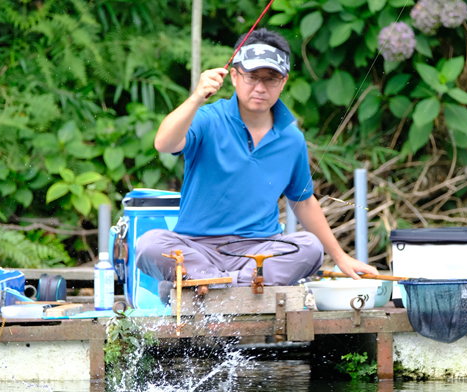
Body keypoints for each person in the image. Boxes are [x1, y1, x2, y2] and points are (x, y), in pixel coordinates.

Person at [136, 28, 377, 302]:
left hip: (258, 254)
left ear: (283, 82)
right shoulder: (207, 118)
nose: (260, 88)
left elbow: (304, 202)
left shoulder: (292, 138)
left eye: (270, 79)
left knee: (310, 247)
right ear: (235, 76)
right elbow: (164, 144)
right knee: (149, 245)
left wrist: (341, 257)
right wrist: (196, 97)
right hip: (198, 248)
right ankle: (233, 287)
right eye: (252, 77)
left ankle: (207, 287)